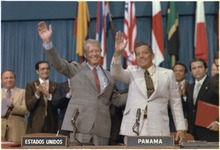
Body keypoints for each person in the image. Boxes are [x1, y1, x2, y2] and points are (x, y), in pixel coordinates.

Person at [37, 21, 127, 145]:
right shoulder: (76, 69)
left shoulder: (110, 76)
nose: (94, 54)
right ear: (85, 54)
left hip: (102, 129)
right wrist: (47, 42)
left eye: (97, 51)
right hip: (79, 126)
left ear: (101, 53)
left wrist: (138, 91)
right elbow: (58, 64)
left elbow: (117, 100)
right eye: (91, 51)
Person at [110, 31, 186, 144]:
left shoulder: (168, 74)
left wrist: (181, 127)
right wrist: (117, 53)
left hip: (159, 127)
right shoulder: (132, 71)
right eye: (138, 54)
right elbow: (116, 73)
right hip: (134, 127)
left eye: (144, 53)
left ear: (152, 55)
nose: (141, 56)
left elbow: (175, 102)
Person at [186, 58, 219, 141]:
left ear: (206, 69)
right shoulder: (189, 87)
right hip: (192, 134)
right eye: (194, 68)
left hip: (211, 132)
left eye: (200, 67)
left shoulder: (215, 84)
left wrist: (218, 122)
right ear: (191, 72)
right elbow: (190, 109)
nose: (197, 70)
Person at [25, 60, 58, 134]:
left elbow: (58, 104)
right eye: (42, 69)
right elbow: (29, 106)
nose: (45, 71)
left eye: (47, 68)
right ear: (37, 71)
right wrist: (37, 93)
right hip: (35, 125)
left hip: (52, 124)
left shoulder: (56, 85)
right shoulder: (31, 85)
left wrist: (48, 96)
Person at [1, 70, 28, 142]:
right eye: (6, 78)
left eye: (11, 78)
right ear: (1, 80)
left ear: (15, 79)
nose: (9, 80)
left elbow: (25, 110)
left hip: (17, 131)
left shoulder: (23, 92)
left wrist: (13, 106)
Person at [169, 63, 188, 132]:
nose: (177, 73)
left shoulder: (192, 87)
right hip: (171, 124)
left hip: (189, 125)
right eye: (175, 71)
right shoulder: (167, 88)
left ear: (186, 74)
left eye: (180, 71)